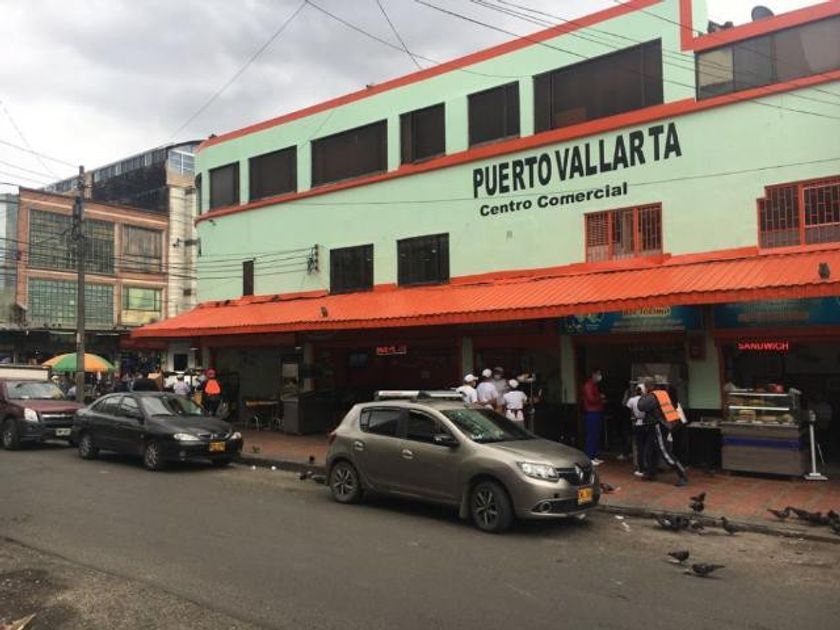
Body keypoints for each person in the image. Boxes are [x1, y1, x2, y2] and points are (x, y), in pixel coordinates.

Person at [637, 384, 689, 487]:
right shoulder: (662, 394)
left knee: (664, 452)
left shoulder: (653, 396)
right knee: (650, 451)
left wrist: (643, 395)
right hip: (660, 425)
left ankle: (682, 474)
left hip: (658, 425)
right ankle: (651, 473)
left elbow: (641, 406)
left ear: (649, 387)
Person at [582, 368, 606, 466]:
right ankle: (589, 457)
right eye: (598, 374)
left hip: (597, 412)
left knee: (596, 435)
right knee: (591, 435)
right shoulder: (588, 385)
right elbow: (591, 399)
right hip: (591, 412)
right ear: (593, 374)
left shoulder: (594, 385)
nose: (600, 376)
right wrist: (600, 397)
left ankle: (594, 455)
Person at [625, 383, 648, 478]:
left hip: (637, 424)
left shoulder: (632, 400)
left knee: (640, 447)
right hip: (647, 424)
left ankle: (640, 469)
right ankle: (648, 467)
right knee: (648, 446)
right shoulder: (647, 399)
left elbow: (629, 410)